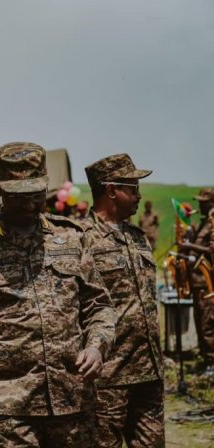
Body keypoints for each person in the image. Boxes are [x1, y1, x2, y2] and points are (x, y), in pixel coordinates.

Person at [0, 142, 116, 448]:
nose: (30, 205)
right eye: (19, 196)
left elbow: (99, 305)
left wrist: (97, 346)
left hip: (72, 395)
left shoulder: (71, 237)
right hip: (9, 400)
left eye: (36, 195)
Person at [84, 154, 165, 447]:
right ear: (111, 190)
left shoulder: (138, 237)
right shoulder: (81, 239)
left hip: (149, 370)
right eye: (132, 188)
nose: (138, 196)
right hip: (108, 375)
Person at [179, 187, 214, 372]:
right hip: (196, 282)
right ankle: (205, 360)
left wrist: (189, 246)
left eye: (203, 202)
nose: (199, 205)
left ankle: (211, 363)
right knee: (199, 322)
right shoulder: (203, 223)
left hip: (207, 284)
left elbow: (211, 250)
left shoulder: (212, 224)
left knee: (208, 325)